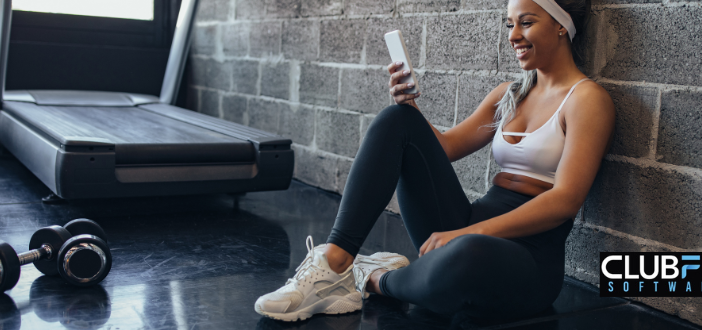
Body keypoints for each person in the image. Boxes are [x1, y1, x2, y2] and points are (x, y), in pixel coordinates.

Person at [254, 0, 615, 322]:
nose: (513, 36)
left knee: (467, 255)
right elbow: (441, 148)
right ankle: (335, 263)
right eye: (510, 24)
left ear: (559, 25)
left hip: (528, 257)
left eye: (526, 22)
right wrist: (407, 107)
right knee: (397, 122)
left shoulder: (586, 100)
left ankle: (372, 278)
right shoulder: (510, 93)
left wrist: (467, 233)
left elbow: (566, 199)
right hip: (468, 226)